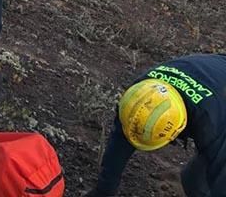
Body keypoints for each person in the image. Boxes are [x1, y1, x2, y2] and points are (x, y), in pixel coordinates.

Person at [85, 53, 226, 197]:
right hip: (215, 77)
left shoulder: (211, 123)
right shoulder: (140, 95)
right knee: (192, 182)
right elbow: (121, 140)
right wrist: (103, 191)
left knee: (201, 184)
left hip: (217, 96)